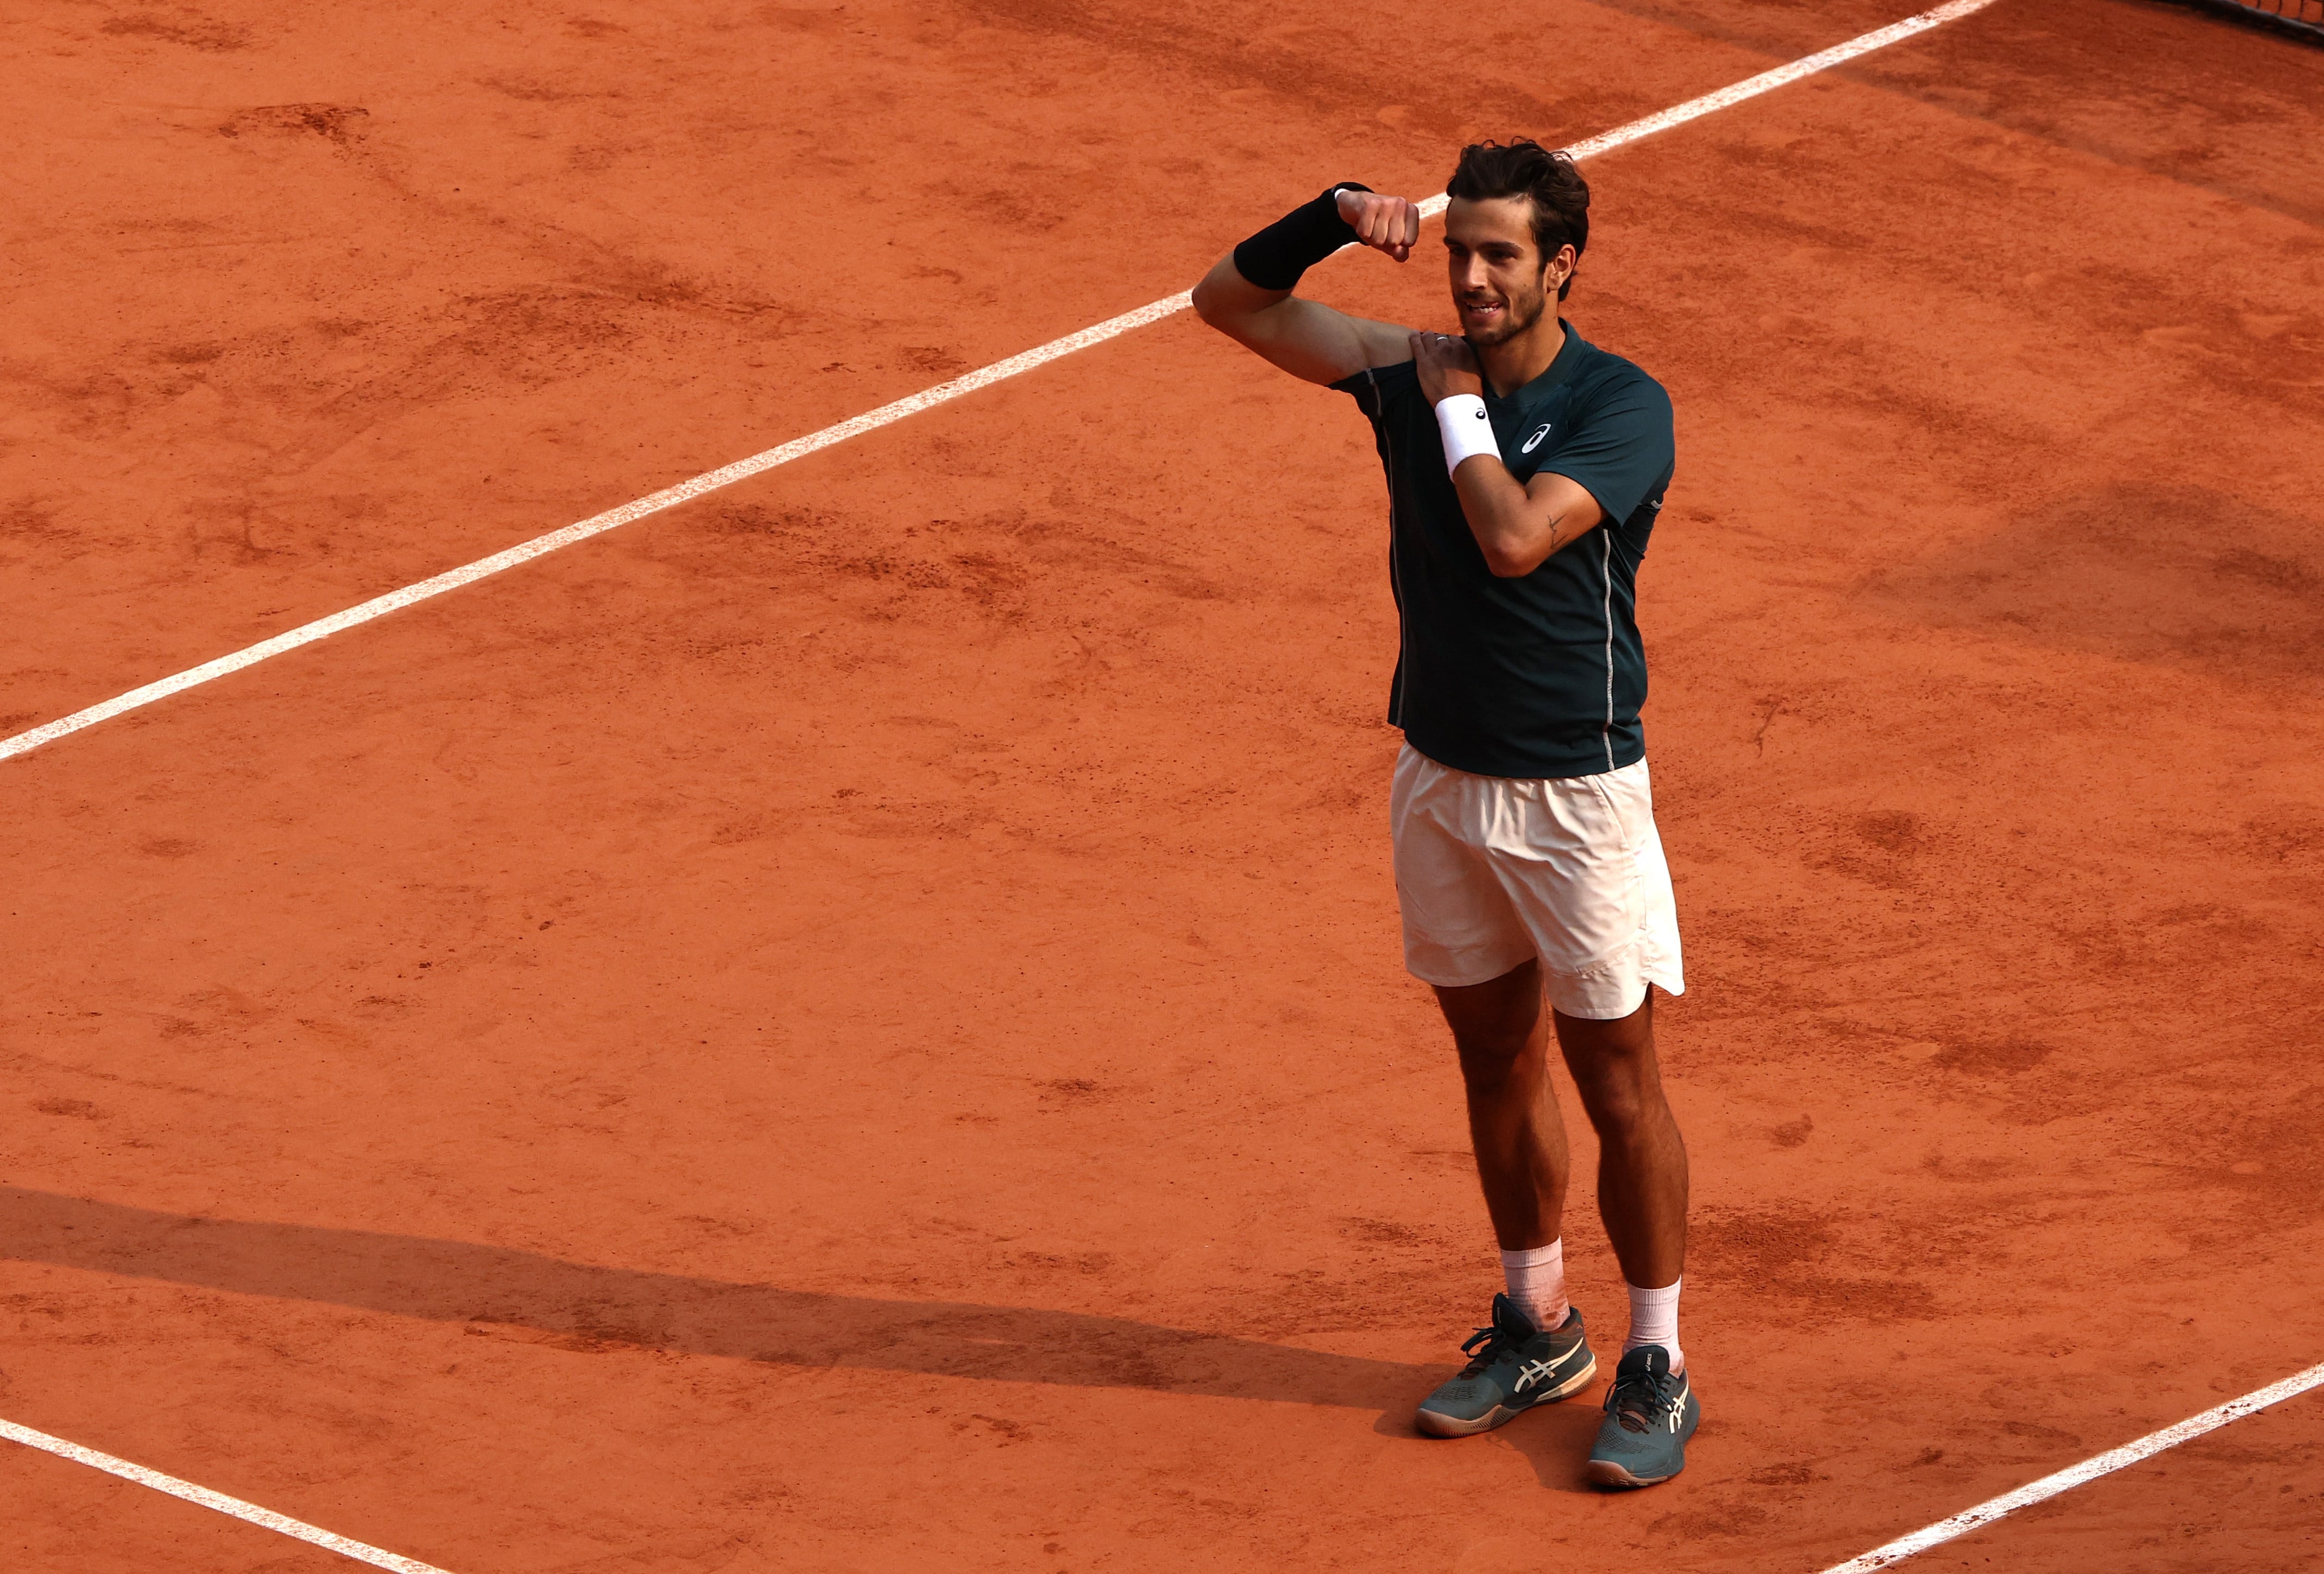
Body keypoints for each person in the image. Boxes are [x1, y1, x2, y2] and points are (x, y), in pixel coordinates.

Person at [1189, 140, 1698, 1488]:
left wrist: (1455, 402)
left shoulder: (1618, 407)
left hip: (1576, 799)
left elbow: (1515, 537)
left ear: (1560, 268)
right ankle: (1536, 1325)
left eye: (1500, 257)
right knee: (1491, 1060)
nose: (1469, 278)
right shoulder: (1408, 368)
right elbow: (1228, 306)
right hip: (1439, 779)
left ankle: (1655, 1357)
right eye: (1458, 251)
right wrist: (1324, 216)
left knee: (1616, 1084)